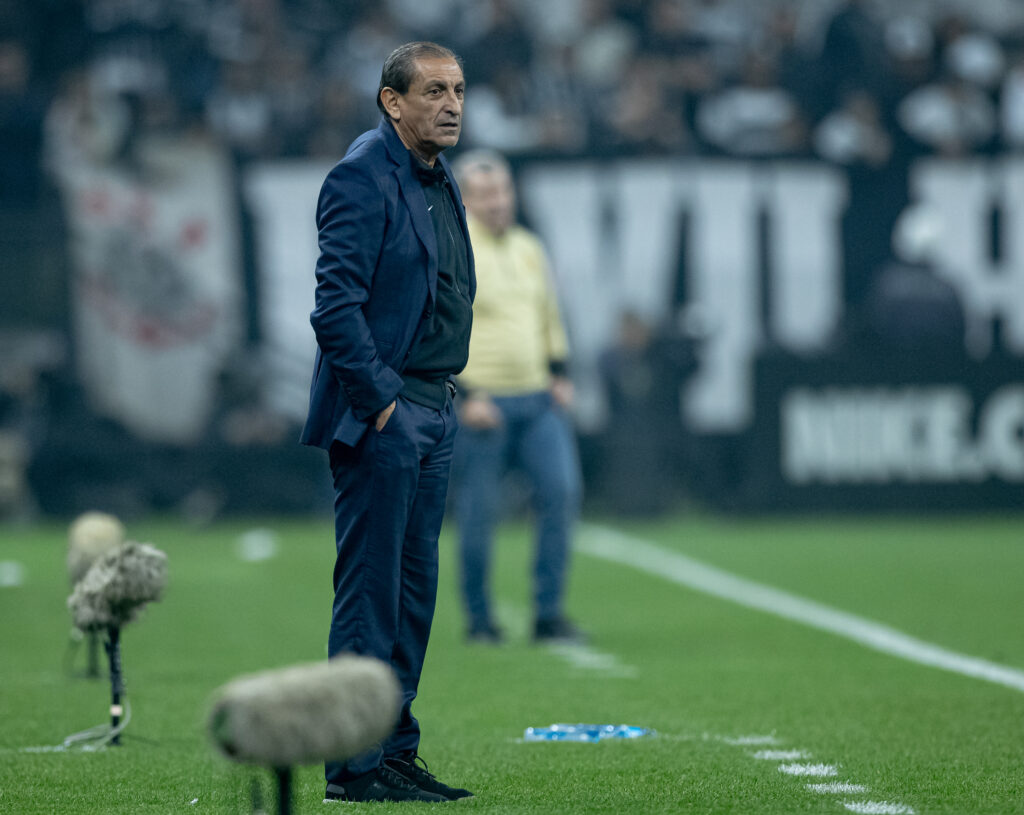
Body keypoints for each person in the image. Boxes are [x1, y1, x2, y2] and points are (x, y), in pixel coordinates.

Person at [300, 41, 475, 804]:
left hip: (434, 405)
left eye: (460, 90)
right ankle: (352, 762)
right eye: (434, 90)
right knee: (372, 592)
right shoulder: (362, 176)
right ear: (390, 101)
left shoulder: (439, 177)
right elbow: (333, 307)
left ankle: (393, 748)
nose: (452, 104)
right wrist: (383, 403)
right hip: (388, 414)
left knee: (412, 593)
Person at [449, 150, 584, 645]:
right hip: (485, 404)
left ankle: (549, 614)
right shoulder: (454, 248)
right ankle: (480, 620)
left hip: (537, 398)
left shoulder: (529, 246)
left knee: (561, 493)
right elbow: (438, 329)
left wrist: (560, 371)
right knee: (480, 513)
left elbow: (549, 314)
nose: (497, 202)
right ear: (462, 200)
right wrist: (464, 395)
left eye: (502, 191)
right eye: (484, 194)